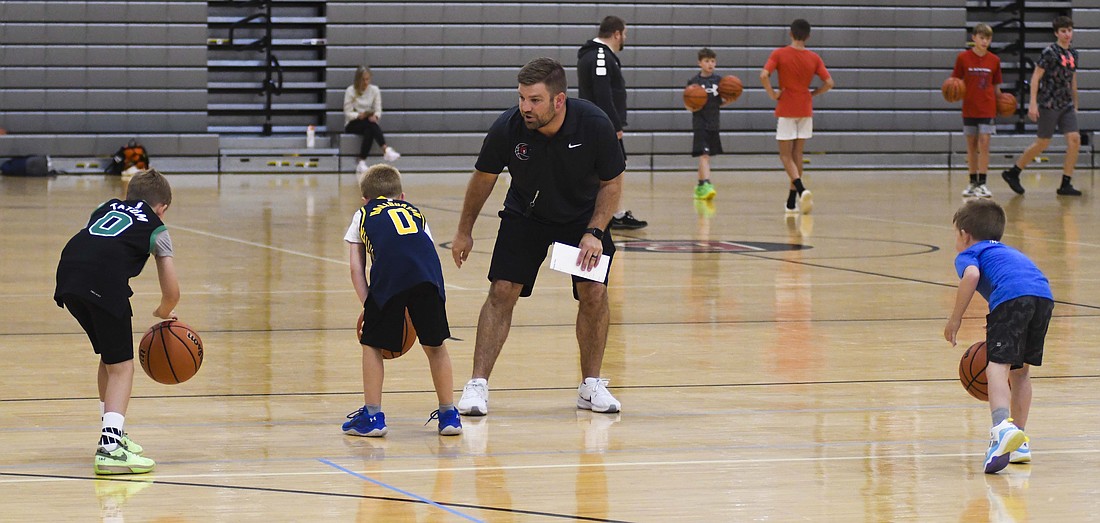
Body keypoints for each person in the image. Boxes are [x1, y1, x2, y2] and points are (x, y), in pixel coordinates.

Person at [451, 57, 625, 416]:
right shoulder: (508, 128)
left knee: (594, 292)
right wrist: (464, 230)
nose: (525, 107)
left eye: (534, 100)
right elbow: (483, 178)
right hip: (525, 215)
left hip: (580, 219)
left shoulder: (594, 124)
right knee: (502, 291)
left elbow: (611, 182)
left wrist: (595, 231)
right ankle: (477, 386)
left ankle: (590, 386)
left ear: (559, 100)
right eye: (521, 98)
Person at [53, 169, 179, 475]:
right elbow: (172, 291)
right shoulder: (157, 227)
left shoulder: (104, 207)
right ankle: (109, 449)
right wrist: (164, 311)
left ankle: (113, 432)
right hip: (103, 281)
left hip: (68, 274)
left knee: (110, 359)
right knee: (123, 367)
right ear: (161, 207)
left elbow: (95, 243)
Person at [341, 163, 461, 437]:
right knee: (435, 345)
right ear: (402, 196)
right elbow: (427, 250)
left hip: (390, 277)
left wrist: (368, 305)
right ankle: (449, 414)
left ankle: (372, 416)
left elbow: (355, 267)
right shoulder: (415, 212)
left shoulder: (363, 214)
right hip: (429, 278)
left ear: (365, 199)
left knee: (371, 344)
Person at [943, 199, 1053, 474]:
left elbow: (971, 276)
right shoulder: (1006, 251)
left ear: (964, 235)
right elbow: (1018, 280)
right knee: (1020, 371)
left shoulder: (970, 254)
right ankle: (1019, 441)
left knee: (997, 365)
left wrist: (955, 319)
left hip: (1012, 298)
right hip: (1042, 296)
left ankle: (1001, 428)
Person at [577, 15, 647, 230]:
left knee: (600, 168)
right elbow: (602, 93)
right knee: (616, 167)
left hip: (596, 122)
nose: (624, 38)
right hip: (601, 124)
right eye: (624, 34)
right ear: (616, 33)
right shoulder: (599, 55)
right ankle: (613, 213)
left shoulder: (598, 54)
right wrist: (614, 125)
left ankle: (607, 212)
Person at [759, 18, 833, 216]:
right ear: (808, 36)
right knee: (797, 155)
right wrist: (814, 93)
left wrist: (772, 94)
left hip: (787, 107)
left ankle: (801, 190)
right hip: (805, 107)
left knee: (785, 155)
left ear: (790, 33)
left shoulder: (780, 53)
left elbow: (764, 75)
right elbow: (829, 82)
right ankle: (791, 203)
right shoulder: (814, 57)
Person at [1001, 16, 1081, 196]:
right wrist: (1033, 103)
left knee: (1075, 140)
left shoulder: (1074, 54)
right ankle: (1013, 172)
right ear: (1056, 33)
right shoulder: (1050, 52)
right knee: (1042, 143)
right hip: (1049, 103)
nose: (1067, 34)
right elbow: (1036, 77)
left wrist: (1075, 102)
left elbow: (1073, 79)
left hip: (1066, 103)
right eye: (1063, 31)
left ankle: (1065, 184)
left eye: (1069, 30)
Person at [953, 23, 1003, 199]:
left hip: (987, 107)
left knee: (985, 143)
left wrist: (1002, 103)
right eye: (982, 37)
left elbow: (997, 87)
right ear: (973, 38)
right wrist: (953, 91)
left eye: (988, 38)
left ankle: (982, 183)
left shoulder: (994, 60)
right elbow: (955, 82)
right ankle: (972, 182)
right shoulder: (963, 58)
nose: (985, 41)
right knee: (971, 146)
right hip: (969, 107)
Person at [686, 47, 734, 200]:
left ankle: (700, 186)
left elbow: (720, 102)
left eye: (712, 61)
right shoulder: (694, 82)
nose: (710, 64)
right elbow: (688, 105)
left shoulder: (720, 82)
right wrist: (693, 106)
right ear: (699, 63)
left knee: (706, 156)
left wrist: (729, 100)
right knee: (704, 155)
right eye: (707, 61)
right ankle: (707, 183)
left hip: (714, 123)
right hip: (700, 123)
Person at [344, 66, 401, 174]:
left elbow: (378, 110)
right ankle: (386, 150)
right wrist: (358, 115)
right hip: (353, 123)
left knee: (369, 128)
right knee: (369, 124)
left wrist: (376, 116)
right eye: (363, 80)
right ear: (358, 79)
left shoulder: (374, 90)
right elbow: (347, 113)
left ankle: (361, 162)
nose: (366, 82)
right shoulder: (350, 91)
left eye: (367, 79)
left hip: (368, 122)